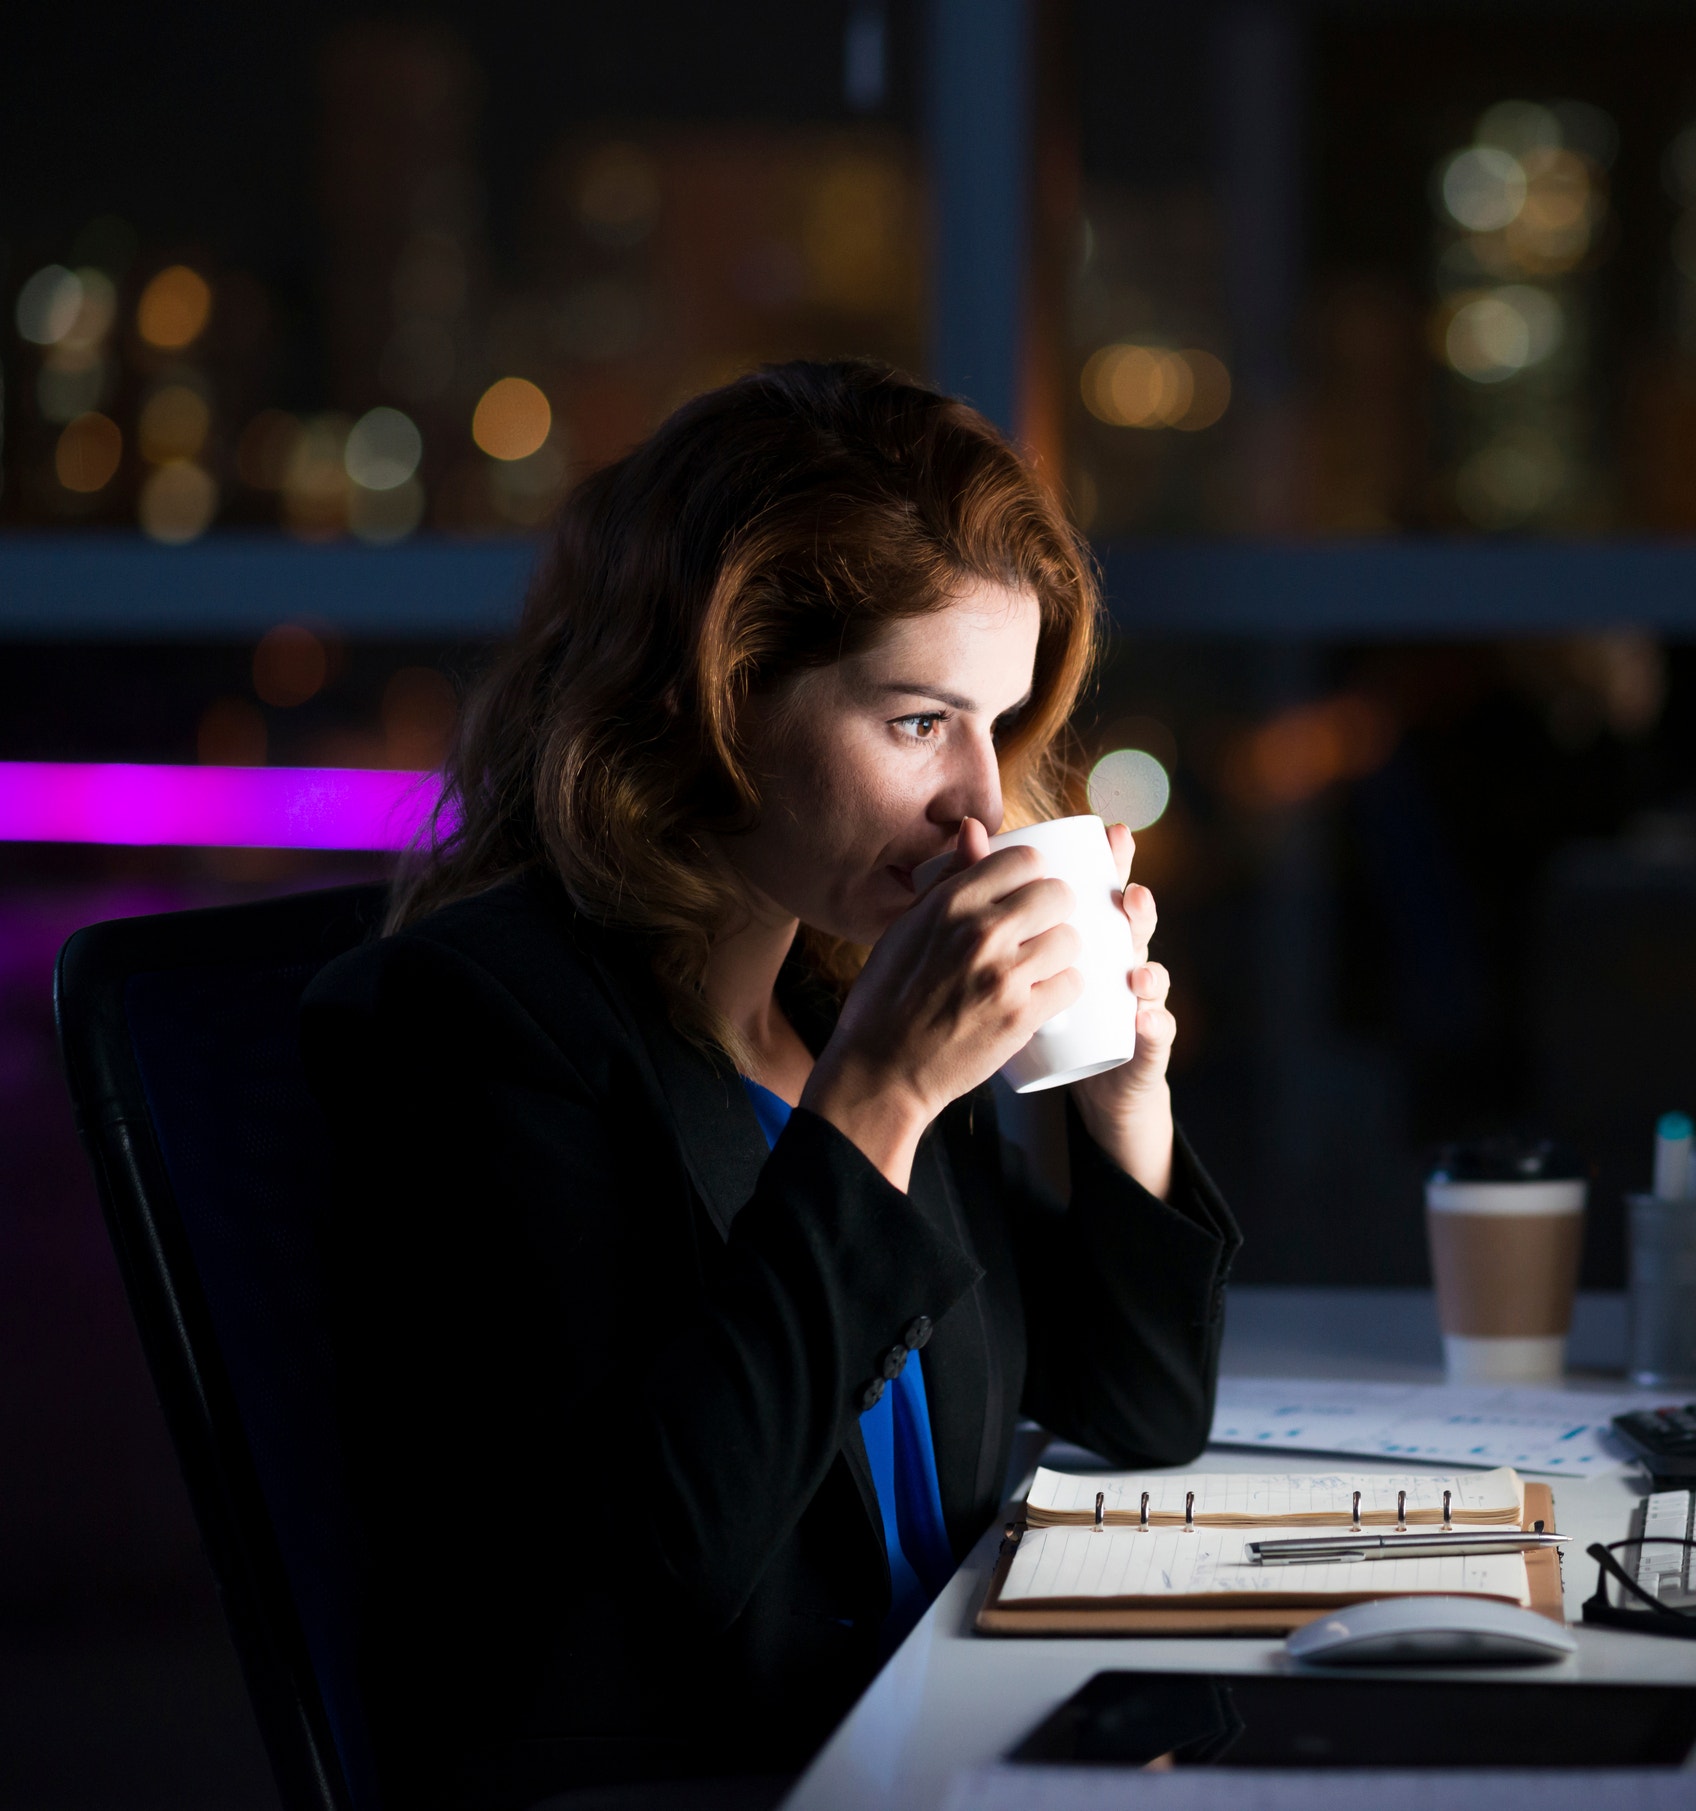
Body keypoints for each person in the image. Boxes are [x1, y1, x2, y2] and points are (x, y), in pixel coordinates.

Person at [300, 360, 1239, 1809]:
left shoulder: (830, 1000)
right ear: (718, 699)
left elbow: (1140, 1406)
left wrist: (1120, 1103)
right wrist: (874, 1100)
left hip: (946, 1744)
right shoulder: (476, 1024)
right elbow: (647, 1579)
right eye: (918, 722)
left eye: (998, 724)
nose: (982, 804)